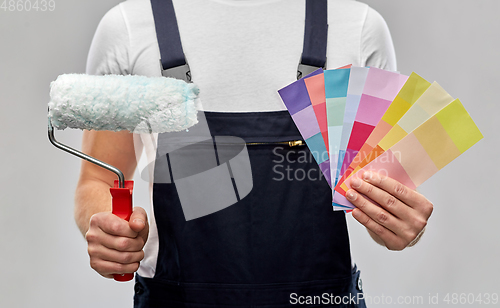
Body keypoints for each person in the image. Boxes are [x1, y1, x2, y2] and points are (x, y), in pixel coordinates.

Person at [76, 0, 433, 307]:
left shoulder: (359, 28)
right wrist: (109, 232)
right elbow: (99, 177)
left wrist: (402, 226)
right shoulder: (128, 27)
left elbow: (382, 190)